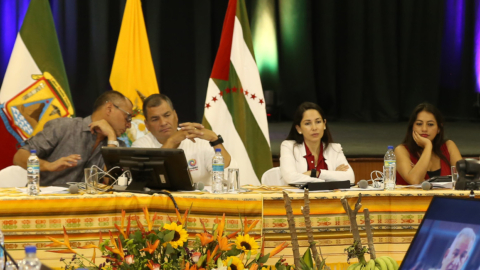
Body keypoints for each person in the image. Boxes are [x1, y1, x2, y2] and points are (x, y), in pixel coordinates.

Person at [13, 90, 133, 185]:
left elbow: (113, 183)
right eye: (128, 117)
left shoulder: (116, 145)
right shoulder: (64, 127)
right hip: (45, 203)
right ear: (109, 108)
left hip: (84, 208)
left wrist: (111, 138)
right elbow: (19, 157)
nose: (129, 125)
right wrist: (48, 166)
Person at [132, 94, 233, 185]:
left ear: (175, 115)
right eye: (155, 119)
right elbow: (144, 181)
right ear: (146, 125)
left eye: (167, 115)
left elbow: (227, 177)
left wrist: (215, 140)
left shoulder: (198, 139)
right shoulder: (140, 146)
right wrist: (171, 142)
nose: (163, 123)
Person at [279, 102, 354, 184]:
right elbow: (290, 179)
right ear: (299, 128)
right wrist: (332, 177)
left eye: (318, 122)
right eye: (307, 123)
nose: (314, 128)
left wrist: (314, 173)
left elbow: (350, 178)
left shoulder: (335, 149)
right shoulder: (288, 146)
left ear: (324, 124)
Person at [395, 103, 462, 185]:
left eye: (430, 124)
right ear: (412, 127)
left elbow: (464, 178)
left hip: (444, 198)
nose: (424, 129)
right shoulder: (401, 150)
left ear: (439, 128)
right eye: (419, 124)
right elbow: (414, 181)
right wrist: (428, 146)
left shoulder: (449, 146)